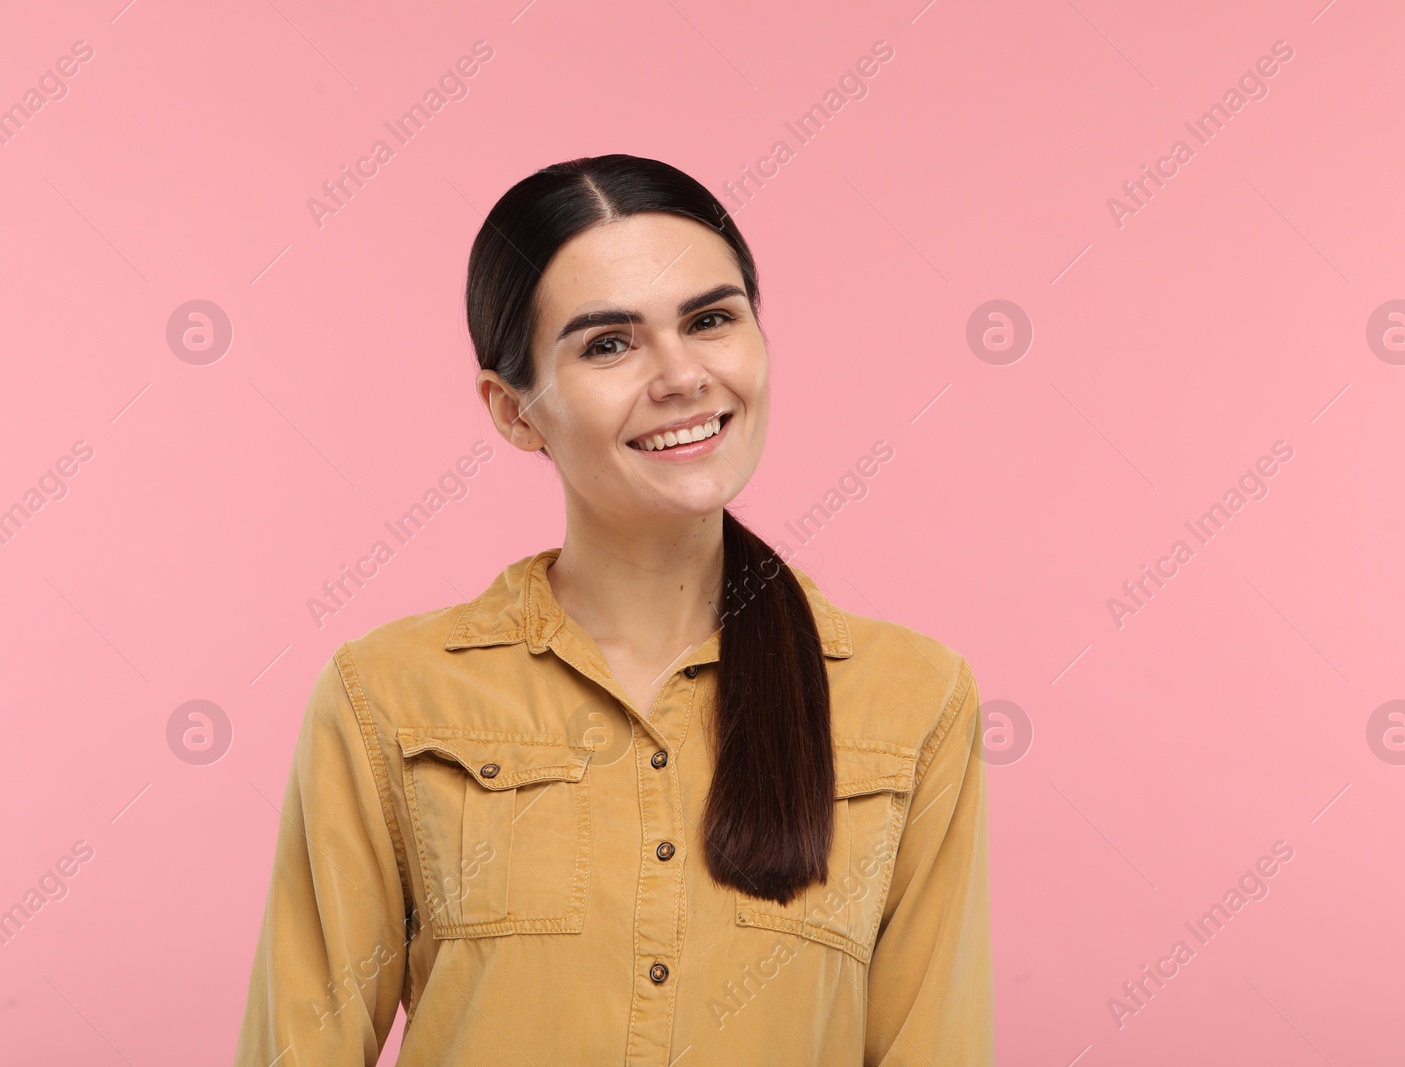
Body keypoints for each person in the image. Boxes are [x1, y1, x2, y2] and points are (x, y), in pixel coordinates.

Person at [233, 153, 994, 1066]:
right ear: (515, 412)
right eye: (608, 343)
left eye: (711, 320)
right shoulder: (389, 698)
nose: (681, 376)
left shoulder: (913, 698)